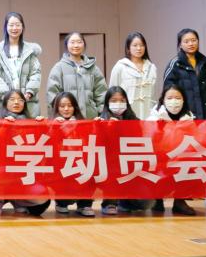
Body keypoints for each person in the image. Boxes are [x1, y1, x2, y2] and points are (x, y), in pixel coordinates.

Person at [0, 90, 50, 217]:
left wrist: (44, 127)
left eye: (20, 100)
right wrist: (3, 128)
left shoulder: (31, 122)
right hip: (0, 173)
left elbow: (42, 146)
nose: (16, 102)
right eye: (12, 99)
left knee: (42, 197)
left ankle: (17, 200)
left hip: (23, 174)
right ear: (5, 103)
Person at [147, 83, 198, 216]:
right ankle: (157, 200)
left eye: (178, 98)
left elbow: (194, 142)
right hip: (160, 159)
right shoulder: (154, 117)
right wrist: (158, 128)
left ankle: (180, 201)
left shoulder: (189, 118)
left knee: (190, 165)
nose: (174, 101)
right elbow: (147, 141)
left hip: (180, 159)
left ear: (183, 100)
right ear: (163, 100)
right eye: (169, 98)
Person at [98, 86, 147, 215]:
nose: (118, 104)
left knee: (145, 203)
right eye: (114, 101)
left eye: (122, 100)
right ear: (107, 103)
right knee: (112, 168)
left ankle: (125, 202)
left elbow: (140, 141)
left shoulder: (133, 120)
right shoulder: (101, 119)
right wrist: (104, 128)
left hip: (130, 160)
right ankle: (109, 202)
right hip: (109, 163)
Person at [0, 12, 42, 117]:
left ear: (22, 27)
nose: (14, 28)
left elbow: (36, 74)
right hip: (2, 103)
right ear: (6, 27)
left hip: (27, 102)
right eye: (11, 25)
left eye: (17, 25)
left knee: (27, 127)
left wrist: (29, 92)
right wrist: (8, 98)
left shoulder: (30, 51)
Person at [50, 91, 95, 217]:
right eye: (62, 106)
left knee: (89, 172)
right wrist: (53, 127)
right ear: (57, 108)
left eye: (69, 105)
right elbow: (48, 145)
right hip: (62, 164)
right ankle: (61, 203)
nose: (66, 109)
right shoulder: (52, 123)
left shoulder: (83, 123)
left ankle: (84, 204)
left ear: (75, 107)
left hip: (81, 162)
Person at [162, 28, 206, 120]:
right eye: (186, 41)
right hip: (185, 117)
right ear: (180, 45)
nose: (191, 44)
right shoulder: (175, 64)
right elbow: (168, 93)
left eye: (194, 40)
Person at [46, 32, 106, 120]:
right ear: (66, 45)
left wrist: (102, 115)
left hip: (90, 117)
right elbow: (52, 94)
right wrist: (56, 116)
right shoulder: (59, 68)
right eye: (72, 42)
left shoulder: (94, 69)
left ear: (84, 44)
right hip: (66, 119)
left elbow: (101, 93)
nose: (76, 45)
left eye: (79, 42)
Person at [109, 32, 158, 120]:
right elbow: (112, 93)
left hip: (148, 115)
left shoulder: (151, 67)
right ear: (128, 48)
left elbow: (153, 95)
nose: (139, 48)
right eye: (135, 45)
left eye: (142, 45)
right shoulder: (120, 67)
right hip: (126, 115)